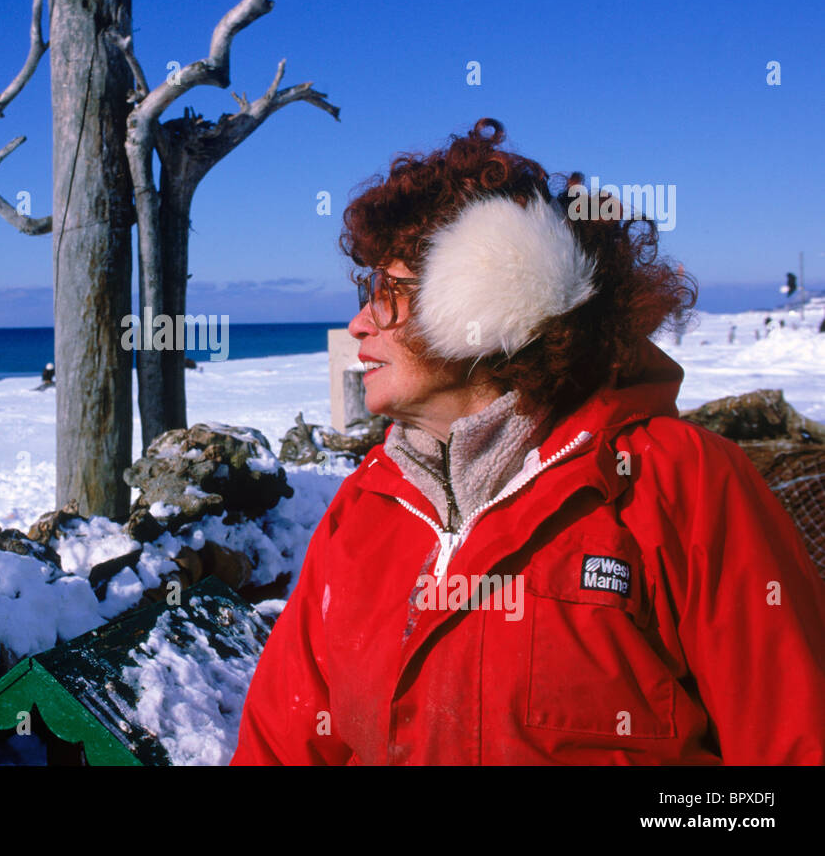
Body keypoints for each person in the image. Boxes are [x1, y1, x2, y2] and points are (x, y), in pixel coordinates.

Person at [232, 119, 825, 765]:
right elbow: (278, 747)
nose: (357, 323)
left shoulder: (680, 486)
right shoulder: (360, 514)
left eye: (387, 294)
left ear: (488, 301)